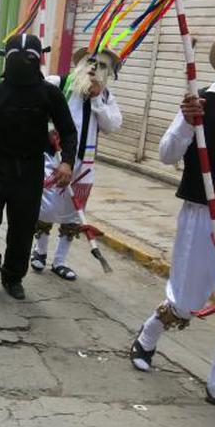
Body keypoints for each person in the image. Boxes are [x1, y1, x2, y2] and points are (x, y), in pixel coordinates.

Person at [129, 33, 215, 407]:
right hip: (204, 213)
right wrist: (187, 124)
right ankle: (148, 335)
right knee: (186, 298)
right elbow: (167, 154)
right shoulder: (201, 102)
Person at [0, 33, 77, 300]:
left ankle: (13, 277)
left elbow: (68, 131)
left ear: (38, 60)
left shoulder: (50, 94)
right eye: (16, 58)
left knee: (22, 230)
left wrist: (68, 162)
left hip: (30, 171)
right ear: (6, 59)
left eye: (29, 58)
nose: (22, 63)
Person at [31, 47, 123, 280]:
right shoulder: (58, 84)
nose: (94, 68)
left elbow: (113, 125)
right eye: (91, 62)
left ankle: (60, 261)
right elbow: (35, 104)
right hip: (54, 159)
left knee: (73, 213)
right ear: (81, 64)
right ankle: (40, 252)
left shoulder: (105, 97)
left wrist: (97, 101)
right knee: (46, 207)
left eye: (102, 66)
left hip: (84, 166)